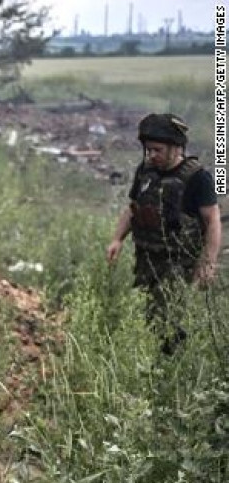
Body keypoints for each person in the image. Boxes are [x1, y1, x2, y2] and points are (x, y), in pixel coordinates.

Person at [106, 113, 221, 348]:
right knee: (146, 318)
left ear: (176, 148)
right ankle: (152, 366)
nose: (151, 155)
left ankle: (170, 370)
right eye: (148, 150)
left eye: (157, 150)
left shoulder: (198, 178)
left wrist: (208, 262)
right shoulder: (145, 171)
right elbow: (133, 208)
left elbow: (213, 220)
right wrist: (117, 239)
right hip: (146, 260)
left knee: (169, 323)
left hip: (178, 265)